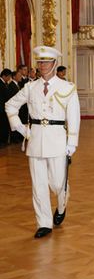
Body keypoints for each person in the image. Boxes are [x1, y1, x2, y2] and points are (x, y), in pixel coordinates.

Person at [5, 46, 80, 239]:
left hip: (57, 141)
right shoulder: (31, 87)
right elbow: (10, 105)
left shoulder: (67, 87)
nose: (43, 65)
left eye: (46, 62)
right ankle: (43, 223)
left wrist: (72, 142)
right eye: (40, 62)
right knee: (38, 185)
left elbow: (74, 116)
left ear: (54, 64)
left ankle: (62, 205)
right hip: (35, 140)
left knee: (58, 183)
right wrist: (20, 128)